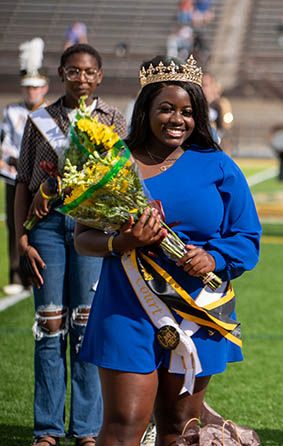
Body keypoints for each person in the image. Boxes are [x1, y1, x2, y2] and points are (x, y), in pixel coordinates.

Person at [75, 55, 261, 446]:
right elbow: (83, 237)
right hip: (125, 306)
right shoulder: (114, 162)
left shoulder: (219, 165)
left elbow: (247, 238)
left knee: (179, 429)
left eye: (188, 111)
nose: (178, 119)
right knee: (124, 424)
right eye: (166, 109)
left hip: (197, 311)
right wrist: (124, 242)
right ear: (145, 111)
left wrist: (214, 257)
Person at [16, 43, 127, 446]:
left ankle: (86, 429)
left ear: (99, 76)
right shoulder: (39, 121)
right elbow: (23, 184)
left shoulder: (113, 119)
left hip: (92, 229)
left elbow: (118, 177)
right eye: (74, 71)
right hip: (47, 229)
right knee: (49, 327)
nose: (82, 78)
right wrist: (21, 239)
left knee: (85, 325)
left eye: (90, 72)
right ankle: (47, 428)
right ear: (61, 73)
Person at [1, 38, 49, 295]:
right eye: (27, 88)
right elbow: (6, 143)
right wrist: (12, 159)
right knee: (14, 225)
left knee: (39, 225)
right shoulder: (11, 111)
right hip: (13, 175)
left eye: (36, 87)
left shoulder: (51, 113)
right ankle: (17, 275)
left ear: (44, 88)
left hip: (41, 178)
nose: (31, 92)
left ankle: (37, 272)